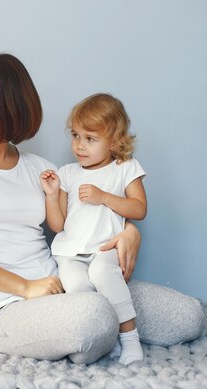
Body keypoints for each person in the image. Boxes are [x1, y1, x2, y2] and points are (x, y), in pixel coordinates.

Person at [0, 53, 204, 365]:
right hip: (2, 308)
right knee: (96, 316)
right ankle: (96, 332)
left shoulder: (41, 169)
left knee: (187, 316)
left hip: (68, 281)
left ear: (14, 104)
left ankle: (97, 331)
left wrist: (130, 232)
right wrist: (26, 287)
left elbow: (83, 219)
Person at [40, 93, 146, 364]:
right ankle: (102, 338)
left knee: (102, 273)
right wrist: (52, 195)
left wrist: (105, 197)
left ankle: (130, 339)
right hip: (70, 252)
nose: (80, 146)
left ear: (115, 141)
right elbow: (57, 224)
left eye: (90, 139)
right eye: (76, 136)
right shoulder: (68, 173)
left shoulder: (124, 168)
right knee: (77, 289)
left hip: (105, 247)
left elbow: (139, 209)